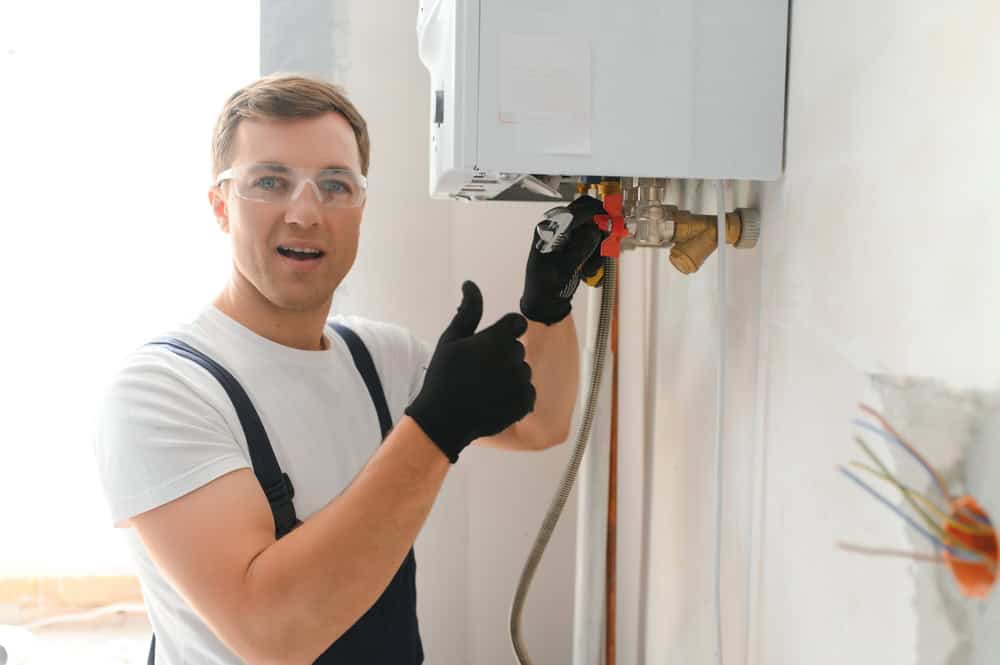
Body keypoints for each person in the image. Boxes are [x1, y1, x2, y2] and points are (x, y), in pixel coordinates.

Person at [93, 73, 605, 665]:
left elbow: (539, 424)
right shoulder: (162, 392)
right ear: (220, 207)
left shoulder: (378, 359)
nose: (305, 213)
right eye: (269, 182)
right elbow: (272, 632)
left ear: (361, 207)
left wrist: (547, 305)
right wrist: (434, 429)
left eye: (335, 185)